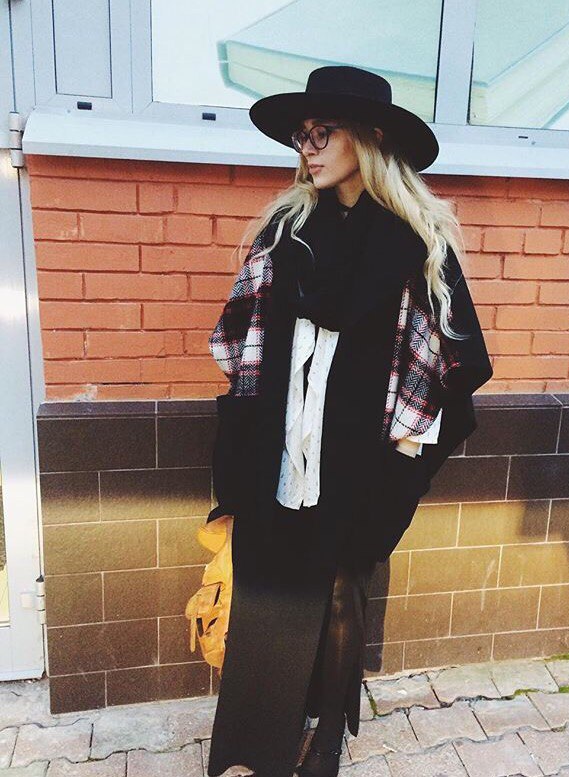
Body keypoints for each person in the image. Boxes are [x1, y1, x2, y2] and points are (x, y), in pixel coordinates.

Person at [205, 66, 493, 777]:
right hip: (284, 443)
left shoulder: (410, 242)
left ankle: (328, 734)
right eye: (300, 137)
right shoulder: (287, 232)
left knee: (341, 588)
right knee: (271, 585)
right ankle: (261, 738)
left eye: (321, 133)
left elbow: (451, 361)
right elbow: (238, 341)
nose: (306, 148)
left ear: (368, 139)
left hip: (363, 453)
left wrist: (405, 452)